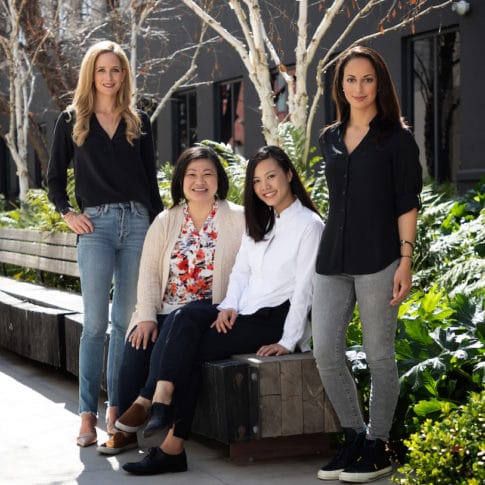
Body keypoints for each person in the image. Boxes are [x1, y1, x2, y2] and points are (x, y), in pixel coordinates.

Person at [121, 145, 324, 476]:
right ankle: (161, 398)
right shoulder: (264, 220)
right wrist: (228, 305)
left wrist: (288, 341)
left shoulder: (308, 225)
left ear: (289, 174)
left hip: (274, 320)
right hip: (244, 311)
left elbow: (305, 289)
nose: (265, 186)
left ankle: (170, 439)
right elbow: (241, 271)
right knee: (182, 316)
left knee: (193, 349)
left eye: (272, 176)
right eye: (257, 180)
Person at [312, 45, 422, 483]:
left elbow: (406, 202)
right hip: (332, 260)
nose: (359, 88)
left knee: (379, 356)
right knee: (325, 353)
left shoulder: (397, 138)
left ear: (381, 84)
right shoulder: (329, 138)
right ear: (340, 86)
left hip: (379, 258)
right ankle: (355, 437)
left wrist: (405, 260)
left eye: (367, 79)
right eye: (350, 80)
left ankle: (379, 444)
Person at [47, 40, 164, 447]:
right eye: (102, 70)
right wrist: (68, 213)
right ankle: (86, 415)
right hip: (94, 227)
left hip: (137, 225)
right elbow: (54, 181)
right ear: (90, 74)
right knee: (95, 325)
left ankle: (116, 408)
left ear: (124, 74)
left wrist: (160, 229)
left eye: (116, 70)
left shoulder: (140, 121)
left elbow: (151, 183)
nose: (109, 77)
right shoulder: (71, 120)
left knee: (123, 324)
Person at [96, 145, 245, 455]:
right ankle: (127, 430)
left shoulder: (239, 219)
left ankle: (136, 414)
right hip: (165, 309)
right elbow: (149, 271)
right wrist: (147, 314)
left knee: (174, 329)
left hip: (208, 312)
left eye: (208, 174)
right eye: (191, 175)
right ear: (181, 180)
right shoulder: (166, 220)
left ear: (219, 179)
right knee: (137, 342)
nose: (199, 181)